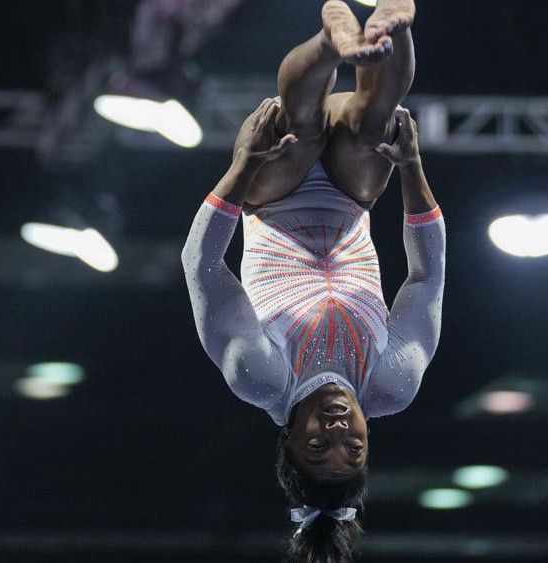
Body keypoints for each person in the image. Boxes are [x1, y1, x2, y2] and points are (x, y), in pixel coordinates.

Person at [182, 2, 443, 561]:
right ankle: (385, 28)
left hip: (270, 198)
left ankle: (333, 42)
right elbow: (425, 280)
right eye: (353, 447)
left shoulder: (262, 378)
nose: (338, 428)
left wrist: (241, 167)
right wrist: (413, 168)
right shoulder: (391, 384)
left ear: (290, 442)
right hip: (352, 200)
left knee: (297, 129)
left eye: (319, 445)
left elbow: (201, 265)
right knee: (374, 125)